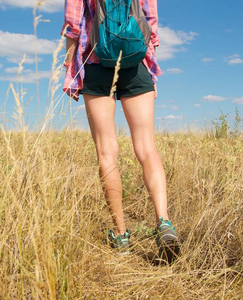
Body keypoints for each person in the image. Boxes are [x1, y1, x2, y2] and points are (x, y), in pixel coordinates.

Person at [61, 0, 179, 259]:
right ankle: (164, 223)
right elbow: (151, 25)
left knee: (106, 152)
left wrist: (71, 72)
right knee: (147, 148)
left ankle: (121, 234)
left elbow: (73, 25)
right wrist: (152, 71)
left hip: (96, 63)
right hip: (136, 63)